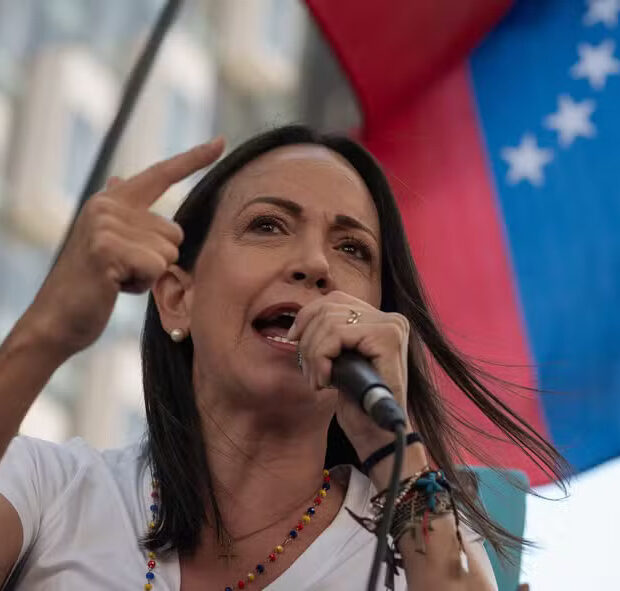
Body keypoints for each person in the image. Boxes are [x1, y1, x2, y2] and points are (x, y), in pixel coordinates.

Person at [0, 125, 568, 590]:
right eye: (267, 225)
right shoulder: (49, 490)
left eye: (352, 248)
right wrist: (48, 331)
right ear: (176, 298)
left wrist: (394, 449)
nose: (315, 264)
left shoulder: (421, 554)